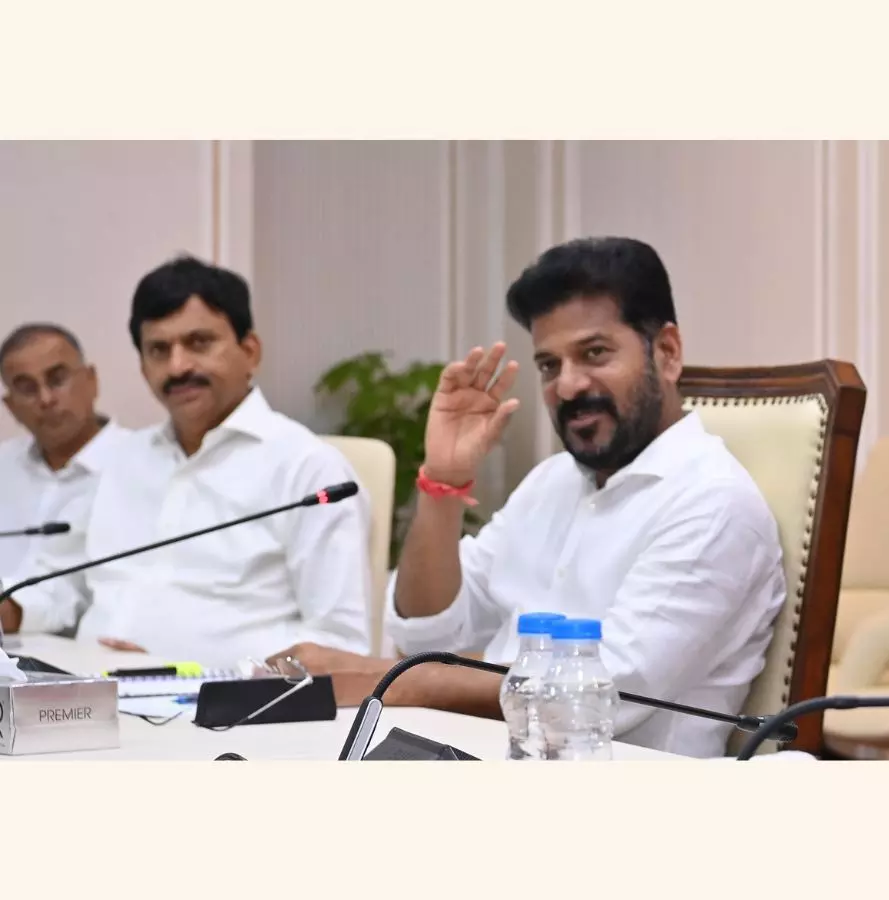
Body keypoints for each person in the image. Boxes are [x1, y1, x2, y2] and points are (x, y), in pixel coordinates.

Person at [277, 236, 787, 758]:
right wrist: (441, 484)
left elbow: (596, 696)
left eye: (594, 353)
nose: (567, 386)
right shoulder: (551, 482)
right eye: (549, 365)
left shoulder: (715, 505)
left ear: (668, 352)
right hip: (468, 753)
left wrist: (388, 680)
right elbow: (428, 635)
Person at [6, 256, 373, 665]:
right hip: (90, 687)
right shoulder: (123, 459)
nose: (178, 366)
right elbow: (60, 584)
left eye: (199, 343)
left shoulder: (307, 468)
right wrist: (12, 607)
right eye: (159, 350)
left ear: (250, 351)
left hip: (220, 700)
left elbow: (339, 645)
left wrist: (181, 666)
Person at [0, 324, 130, 618]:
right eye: (27, 388)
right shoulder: (3, 465)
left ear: (91, 380)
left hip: (84, 641)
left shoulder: (136, 463)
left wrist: (10, 612)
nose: (45, 399)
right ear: (10, 406)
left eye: (57, 380)